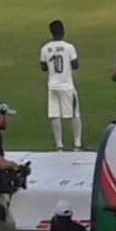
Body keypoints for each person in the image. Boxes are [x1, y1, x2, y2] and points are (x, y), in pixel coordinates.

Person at [39, 20, 82, 151]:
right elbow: (75, 65)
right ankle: (77, 144)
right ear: (63, 31)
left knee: (54, 114)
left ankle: (59, 145)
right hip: (67, 85)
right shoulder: (69, 47)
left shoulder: (45, 48)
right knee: (74, 113)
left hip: (52, 85)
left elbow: (43, 67)